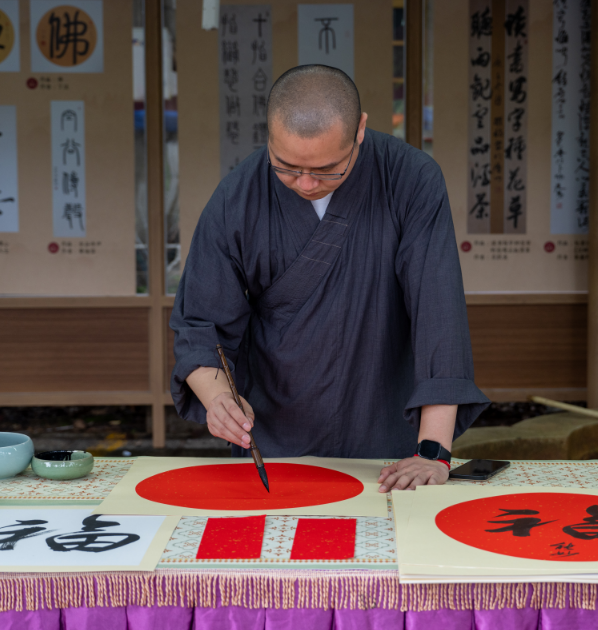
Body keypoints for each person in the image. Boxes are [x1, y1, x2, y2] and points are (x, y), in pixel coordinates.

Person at [169, 65, 489, 492]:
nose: (304, 183)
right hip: (276, 427)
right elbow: (200, 320)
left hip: (383, 425)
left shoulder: (410, 180)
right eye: (285, 166)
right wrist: (219, 400)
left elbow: (439, 314)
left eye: (326, 170)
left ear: (359, 130)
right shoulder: (238, 196)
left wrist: (432, 451)